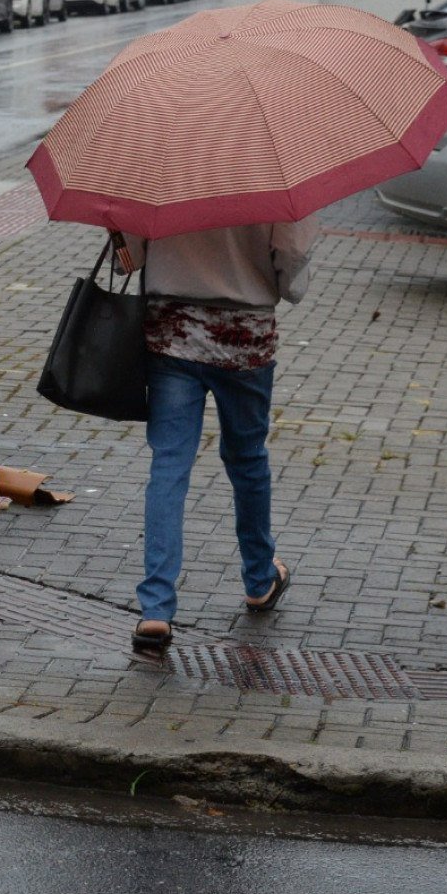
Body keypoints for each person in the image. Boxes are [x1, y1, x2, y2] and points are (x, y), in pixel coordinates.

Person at [118, 219, 318, 654]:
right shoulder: (275, 162)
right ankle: (260, 578)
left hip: (172, 333)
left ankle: (155, 608)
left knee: (169, 464)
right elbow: (292, 262)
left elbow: (128, 257)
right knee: (247, 459)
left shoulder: (162, 157)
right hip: (245, 336)